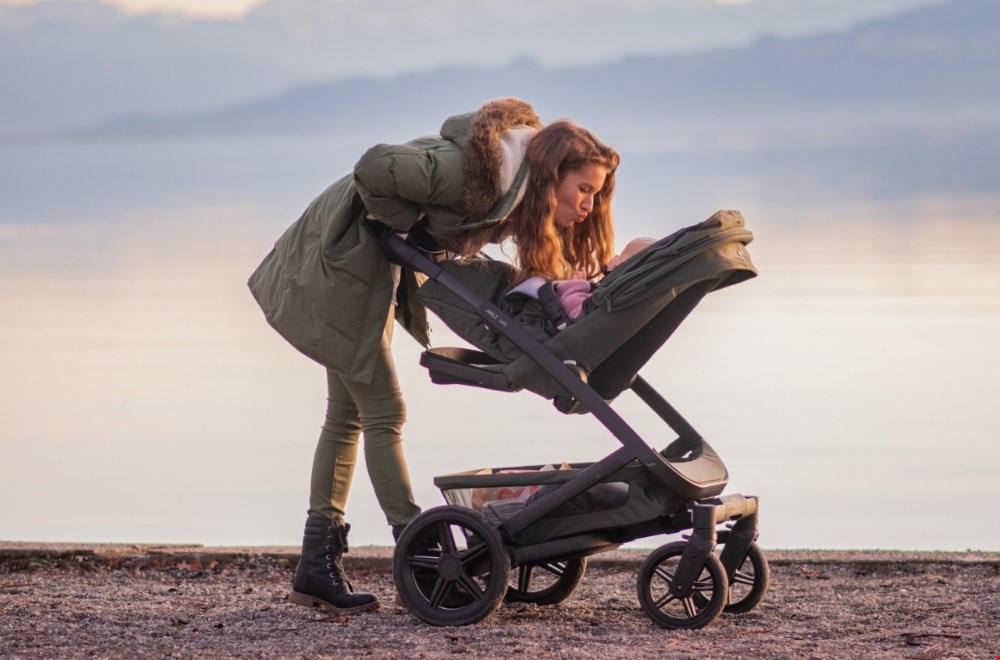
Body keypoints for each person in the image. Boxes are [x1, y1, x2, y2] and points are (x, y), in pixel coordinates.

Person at [247, 98, 620, 615]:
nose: (586, 205)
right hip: (339, 263)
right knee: (384, 412)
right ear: (553, 172)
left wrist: (413, 239)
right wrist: (398, 225)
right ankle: (416, 543)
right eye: (584, 190)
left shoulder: (510, 191)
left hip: (359, 268)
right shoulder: (468, 175)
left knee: (347, 415)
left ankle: (316, 567)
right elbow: (374, 167)